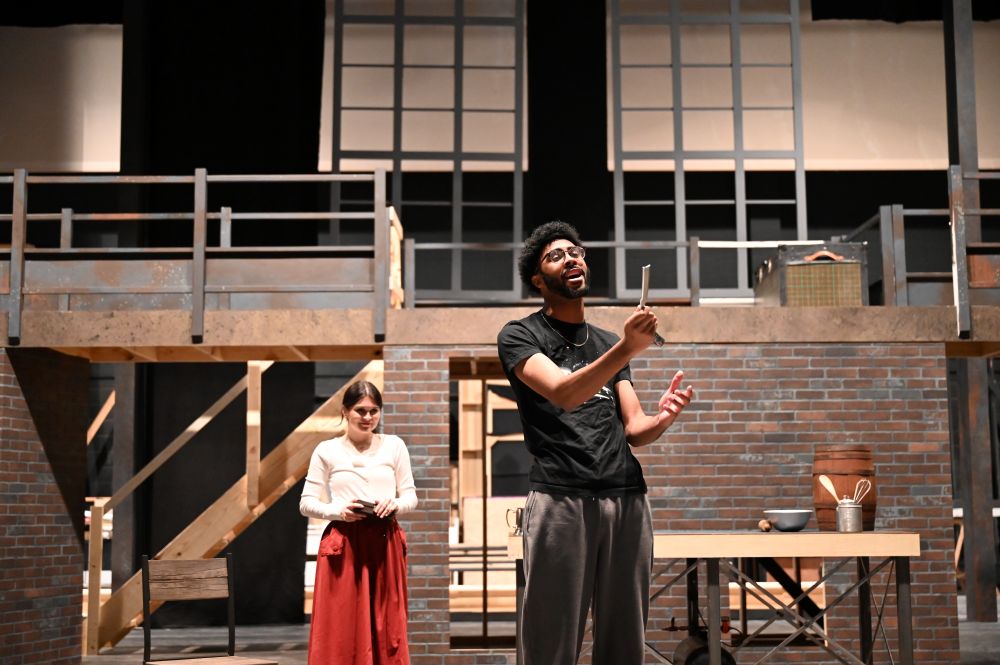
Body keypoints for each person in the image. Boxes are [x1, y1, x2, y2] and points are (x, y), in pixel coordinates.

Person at [497, 221, 694, 665]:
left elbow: (635, 428)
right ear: (537, 279)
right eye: (556, 255)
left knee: (625, 641)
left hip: (626, 497)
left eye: (576, 252)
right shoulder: (520, 335)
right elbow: (564, 393)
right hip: (561, 497)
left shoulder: (606, 342)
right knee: (550, 642)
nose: (571, 258)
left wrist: (662, 418)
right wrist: (627, 347)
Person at [300, 380, 417, 665]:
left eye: (373, 411)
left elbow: (410, 496)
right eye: (360, 410)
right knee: (341, 624)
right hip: (345, 543)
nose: (367, 417)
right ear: (345, 411)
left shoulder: (394, 446)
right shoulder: (327, 450)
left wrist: (395, 504)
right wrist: (338, 511)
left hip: (384, 541)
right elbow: (306, 503)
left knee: (387, 622)